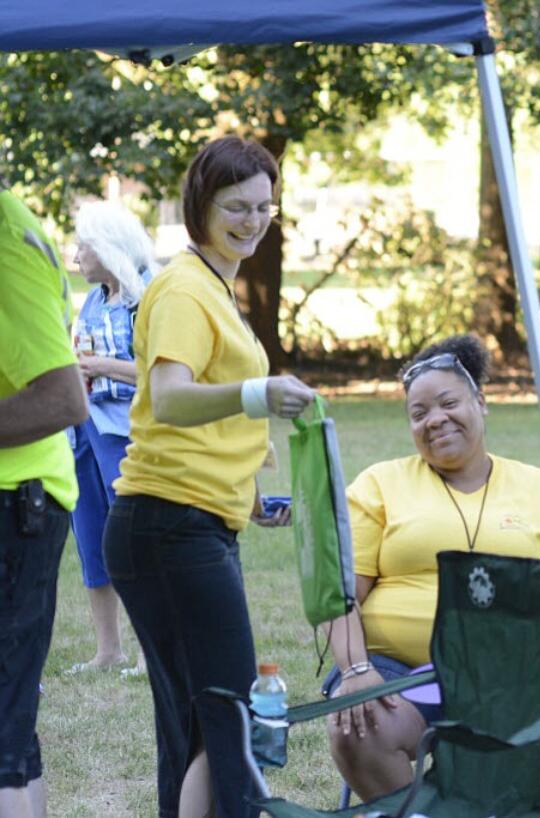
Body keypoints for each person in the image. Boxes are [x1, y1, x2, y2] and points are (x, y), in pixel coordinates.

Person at [101, 136, 314, 818]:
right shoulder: (185, 288)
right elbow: (168, 397)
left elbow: (203, 411)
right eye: (236, 207)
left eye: (263, 207)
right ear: (200, 204)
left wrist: (248, 493)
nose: (252, 221)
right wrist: (259, 395)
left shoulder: (214, 285)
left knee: (201, 718)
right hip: (168, 526)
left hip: (191, 523)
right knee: (227, 717)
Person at [323, 334, 540, 804]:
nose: (435, 419)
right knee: (357, 723)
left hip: (503, 671)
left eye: (448, 402)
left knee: (530, 712)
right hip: (394, 669)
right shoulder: (380, 484)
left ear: (481, 402)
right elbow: (339, 592)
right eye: (419, 413)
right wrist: (355, 670)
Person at [0, 181, 89, 818]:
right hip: (23, 501)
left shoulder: (6, 235)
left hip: (16, 504)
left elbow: (63, 398)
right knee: (12, 734)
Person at [65, 200, 157, 676]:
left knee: (129, 542)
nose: (76, 253)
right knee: (92, 538)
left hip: (125, 434)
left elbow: (162, 372)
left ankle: (148, 651)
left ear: (107, 246)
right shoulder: (98, 295)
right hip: (83, 431)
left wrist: (100, 367)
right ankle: (108, 650)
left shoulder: (148, 296)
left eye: (83, 244)